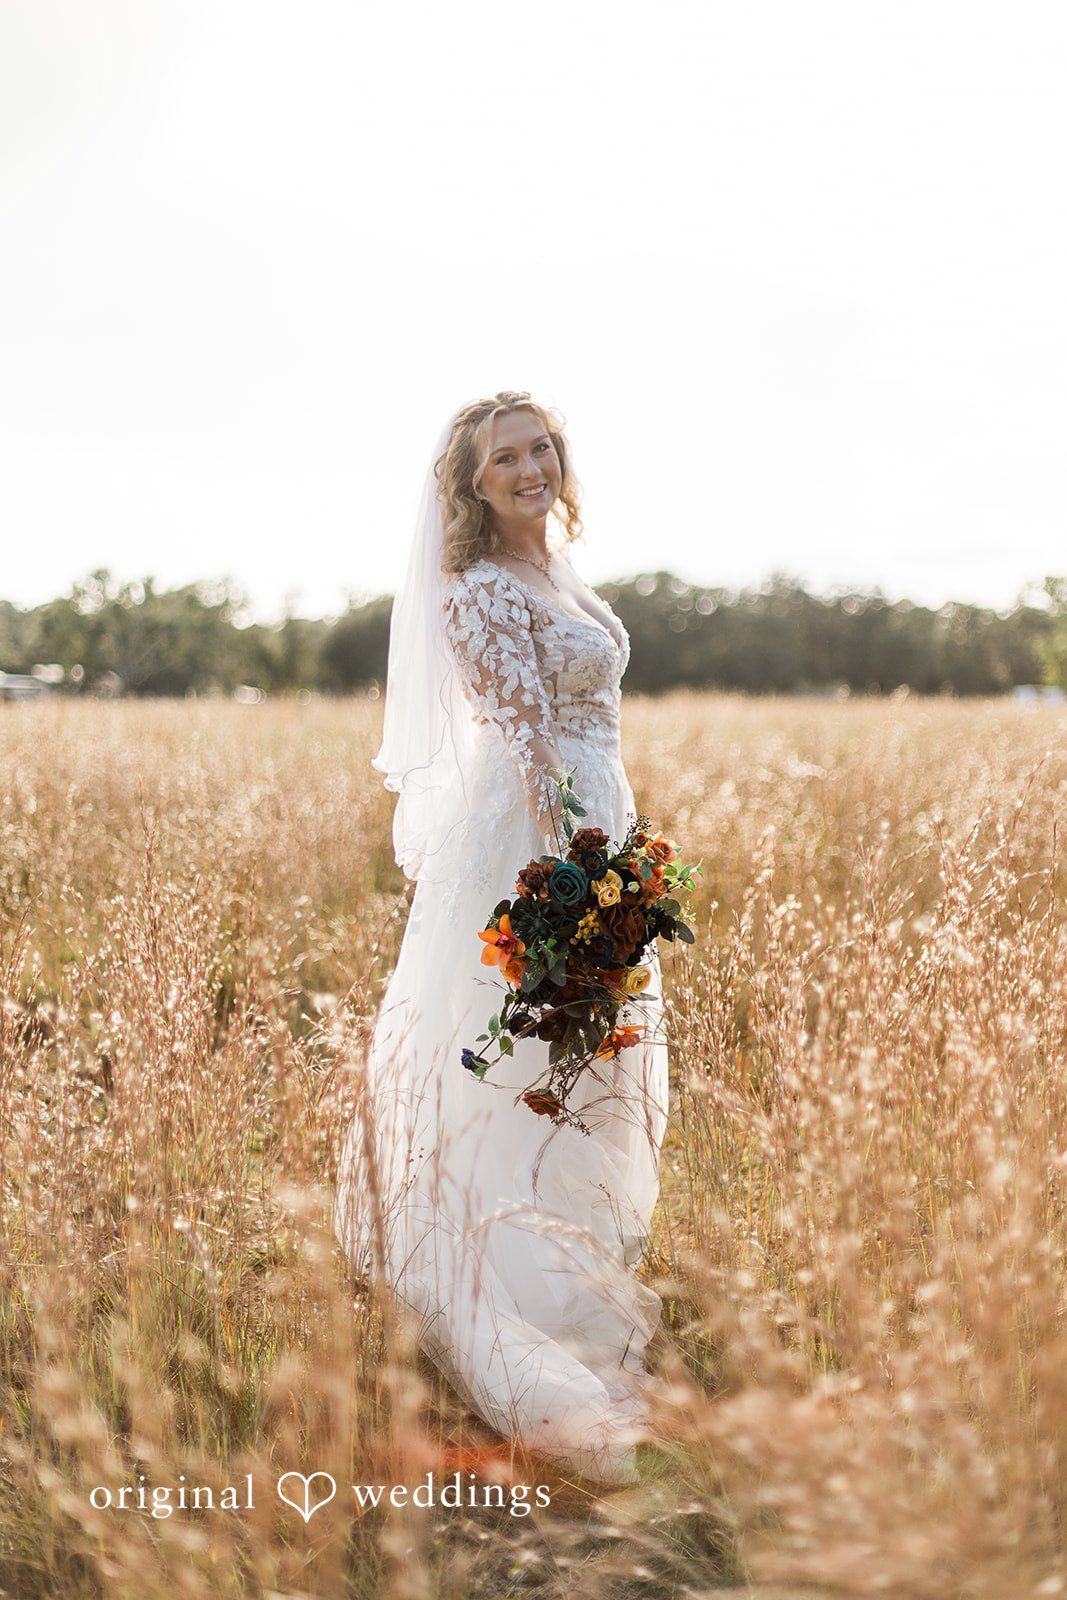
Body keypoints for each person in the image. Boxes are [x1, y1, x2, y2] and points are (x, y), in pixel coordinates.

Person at [333, 390, 669, 1486]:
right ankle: (505, 1284)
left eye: (540, 448)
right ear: (471, 487)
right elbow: (530, 749)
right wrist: (580, 881)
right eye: (504, 459)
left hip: (595, 815)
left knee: (575, 1053)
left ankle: (565, 1245)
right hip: (538, 838)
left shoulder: (558, 571)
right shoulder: (476, 589)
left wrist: (619, 842)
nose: (529, 467)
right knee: (516, 1046)